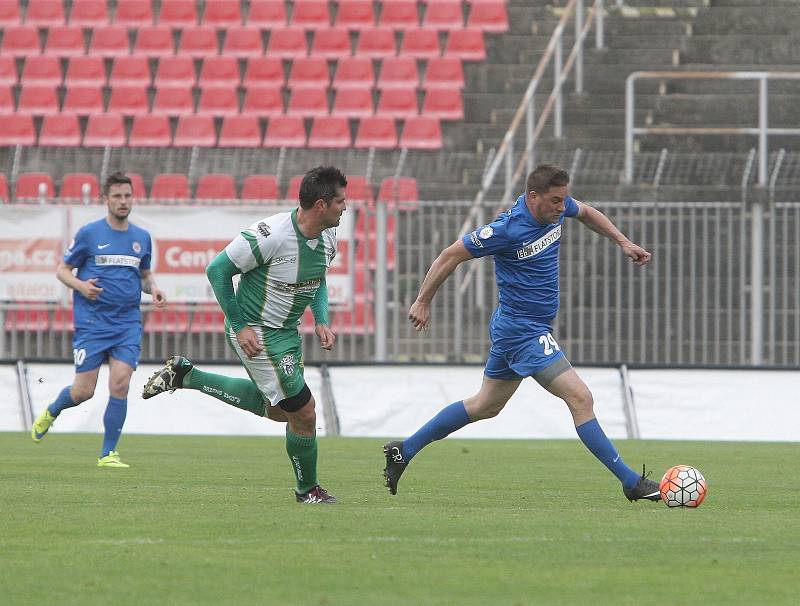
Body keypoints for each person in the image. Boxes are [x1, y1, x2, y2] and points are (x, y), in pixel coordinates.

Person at [383, 164, 662, 503]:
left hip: (519, 329)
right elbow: (450, 256)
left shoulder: (555, 210)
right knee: (581, 398)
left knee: (485, 405)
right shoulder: (507, 229)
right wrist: (422, 300)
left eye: (564, 200)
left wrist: (623, 242)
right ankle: (631, 481)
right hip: (522, 332)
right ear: (533, 197)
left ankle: (404, 450)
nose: (563, 207)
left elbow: (587, 213)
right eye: (556, 201)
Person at [142, 166, 346, 505]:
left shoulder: (327, 236)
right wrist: (240, 326)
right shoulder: (271, 234)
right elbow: (217, 270)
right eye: (340, 201)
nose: (345, 208)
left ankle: (188, 376)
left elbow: (318, 277)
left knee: (283, 412)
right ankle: (307, 490)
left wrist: (321, 318)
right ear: (321, 205)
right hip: (259, 333)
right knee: (305, 412)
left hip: (287, 333)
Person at [31, 171, 167, 467]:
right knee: (83, 392)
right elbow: (62, 271)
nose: (123, 201)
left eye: (127, 196)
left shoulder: (141, 238)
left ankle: (108, 453)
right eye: (117, 196)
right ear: (105, 199)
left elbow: (143, 275)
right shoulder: (89, 234)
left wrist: (153, 289)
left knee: (120, 384)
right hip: (92, 324)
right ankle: (53, 410)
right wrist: (81, 287)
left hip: (127, 324)